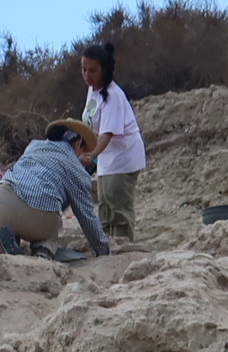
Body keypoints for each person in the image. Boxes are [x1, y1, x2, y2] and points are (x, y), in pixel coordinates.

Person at [0, 121, 112, 260]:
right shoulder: (75, 167)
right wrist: (103, 249)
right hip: (38, 214)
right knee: (52, 219)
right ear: (78, 144)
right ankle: (43, 249)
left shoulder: (33, 146)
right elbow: (87, 217)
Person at [79, 40, 146, 246]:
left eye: (92, 70)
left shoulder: (113, 96)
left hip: (123, 156)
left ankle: (124, 246)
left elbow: (107, 133)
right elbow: (91, 125)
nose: (87, 75)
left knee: (118, 206)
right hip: (106, 157)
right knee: (105, 206)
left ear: (104, 70)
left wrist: (92, 154)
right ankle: (107, 246)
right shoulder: (92, 91)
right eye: (84, 69)